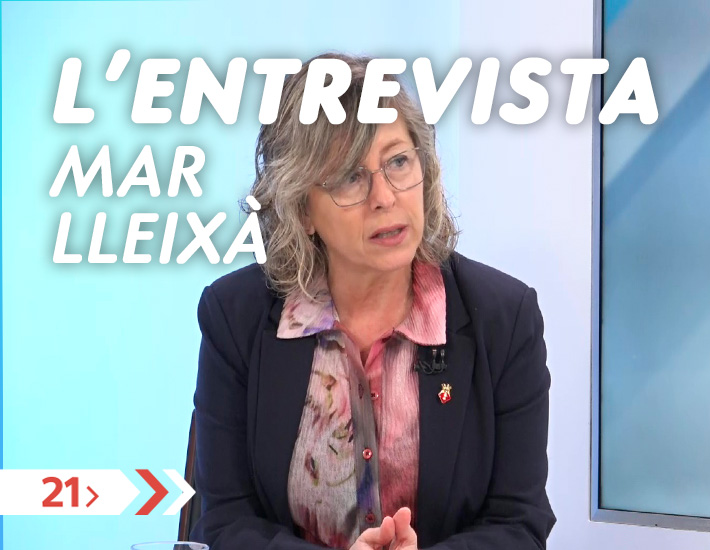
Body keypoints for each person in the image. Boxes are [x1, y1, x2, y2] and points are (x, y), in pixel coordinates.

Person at [191, 52, 555, 550]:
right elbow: (225, 522)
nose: (384, 196)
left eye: (398, 162)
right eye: (350, 176)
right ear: (302, 210)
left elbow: (520, 523)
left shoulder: (503, 320)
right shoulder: (235, 318)